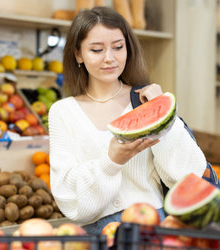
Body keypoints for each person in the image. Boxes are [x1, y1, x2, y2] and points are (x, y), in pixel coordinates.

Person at [48, 6, 207, 234]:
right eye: (96, 49)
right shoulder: (62, 112)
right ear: (78, 54)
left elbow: (189, 175)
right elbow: (69, 200)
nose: (110, 58)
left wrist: (166, 119)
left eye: (118, 47)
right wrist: (111, 162)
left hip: (154, 225)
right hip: (97, 236)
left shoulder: (147, 100)